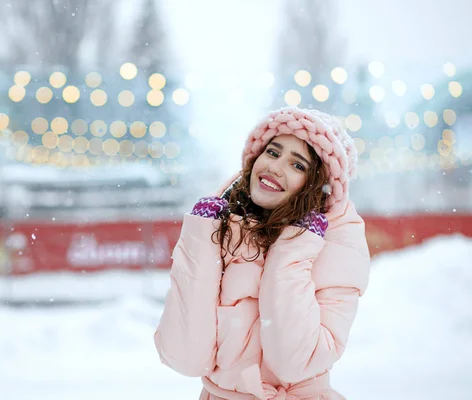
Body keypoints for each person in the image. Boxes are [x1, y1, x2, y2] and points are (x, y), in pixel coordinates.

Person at [154, 106, 370, 400]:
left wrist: (293, 249)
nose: (275, 167)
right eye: (272, 152)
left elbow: (296, 363)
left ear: (318, 186)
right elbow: (185, 356)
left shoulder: (337, 240)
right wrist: (198, 242)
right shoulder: (221, 227)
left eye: (298, 165)